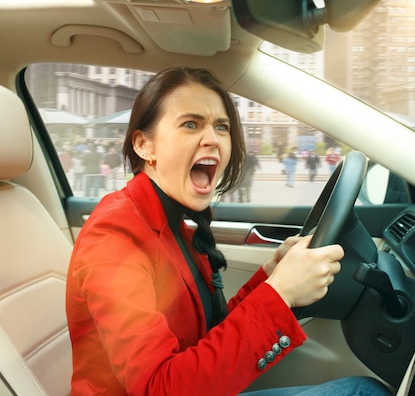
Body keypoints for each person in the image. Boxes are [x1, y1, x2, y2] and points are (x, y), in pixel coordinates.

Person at [66, 67, 391, 396]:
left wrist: (271, 276)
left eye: (221, 127)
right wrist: (280, 295)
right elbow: (159, 388)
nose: (213, 139)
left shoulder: (174, 227)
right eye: (191, 124)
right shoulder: (115, 236)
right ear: (144, 145)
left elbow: (208, 335)